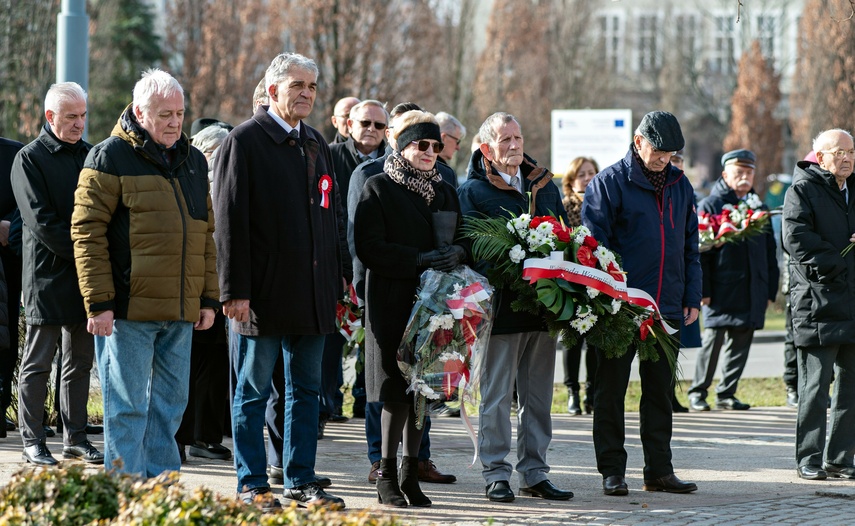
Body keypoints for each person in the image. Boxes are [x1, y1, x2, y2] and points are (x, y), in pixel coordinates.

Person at [213, 52, 347, 510]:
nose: (307, 93)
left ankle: (301, 479)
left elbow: (330, 220)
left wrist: (336, 281)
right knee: (251, 393)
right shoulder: (243, 141)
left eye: (312, 86)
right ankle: (252, 483)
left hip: (311, 295)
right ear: (272, 90)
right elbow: (229, 223)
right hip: (262, 296)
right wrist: (233, 292)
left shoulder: (316, 142)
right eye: (297, 85)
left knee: (306, 392)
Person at [70, 69, 219, 478]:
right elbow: (86, 233)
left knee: (171, 406)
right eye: (165, 114)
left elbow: (205, 234)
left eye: (180, 113)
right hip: (128, 310)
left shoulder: (193, 159)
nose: (175, 122)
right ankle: (124, 496)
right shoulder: (108, 156)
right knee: (127, 407)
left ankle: (161, 493)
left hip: (181, 309)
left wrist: (208, 298)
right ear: (139, 112)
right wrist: (99, 303)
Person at [582, 110, 700, 496]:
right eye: (658, 152)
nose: (664, 160)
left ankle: (659, 470)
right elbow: (593, 249)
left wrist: (691, 296)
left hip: (667, 308)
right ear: (638, 142)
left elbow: (689, 247)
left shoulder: (681, 185)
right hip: (620, 308)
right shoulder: (609, 184)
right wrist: (612, 297)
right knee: (611, 391)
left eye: (671, 154)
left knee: (660, 393)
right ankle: (612, 471)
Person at [458, 112, 574, 503]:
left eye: (518, 138)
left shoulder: (543, 184)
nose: (514, 146)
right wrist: (516, 267)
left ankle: (535, 472)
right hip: (500, 311)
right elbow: (474, 250)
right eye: (505, 140)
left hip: (543, 309)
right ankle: (495, 473)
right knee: (495, 397)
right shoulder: (472, 192)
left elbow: (563, 235)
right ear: (486, 148)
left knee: (538, 398)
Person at [354, 110, 466, 508]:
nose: (431, 152)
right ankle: (385, 473)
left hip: (436, 305)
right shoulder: (378, 187)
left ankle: (409, 470)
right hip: (392, 300)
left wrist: (456, 252)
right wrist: (419, 258)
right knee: (394, 390)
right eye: (422, 144)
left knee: (424, 390)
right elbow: (368, 247)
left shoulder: (447, 190)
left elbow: (464, 236)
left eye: (437, 146)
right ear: (403, 147)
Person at [11, 82, 103, 466]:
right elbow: (41, 223)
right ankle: (32, 441)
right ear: (50, 117)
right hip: (47, 278)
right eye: (71, 117)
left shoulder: (91, 155)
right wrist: (86, 253)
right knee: (38, 363)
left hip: (83, 279)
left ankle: (75, 438)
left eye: (83, 116)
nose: (80, 123)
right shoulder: (29, 159)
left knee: (79, 363)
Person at [783, 128, 855, 481]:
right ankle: (808, 458)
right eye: (839, 152)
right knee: (815, 386)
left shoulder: (853, 189)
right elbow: (795, 239)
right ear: (820, 156)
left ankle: (840, 458)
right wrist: (839, 257)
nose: (847, 158)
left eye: (852, 152)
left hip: (853, 300)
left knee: (850, 385)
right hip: (818, 301)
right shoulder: (802, 189)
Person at [688, 149, 778, 413]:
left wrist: (769, 288)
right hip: (720, 288)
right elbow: (700, 253)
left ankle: (727, 392)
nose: (744, 177)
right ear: (725, 174)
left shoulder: (758, 207)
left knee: (741, 341)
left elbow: (768, 252)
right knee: (712, 342)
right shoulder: (710, 206)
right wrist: (703, 290)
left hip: (752, 288)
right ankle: (698, 392)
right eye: (739, 172)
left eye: (749, 172)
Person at [325, 99, 389, 428]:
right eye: (365, 123)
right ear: (349, 125)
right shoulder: (330, 155)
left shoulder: (393, 162)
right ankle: (327, 405)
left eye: (379, 126)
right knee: (331, 343)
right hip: (337, 265)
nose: (371, 131)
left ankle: (365, 399)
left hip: (376, 271)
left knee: (372, 346)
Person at [174, 121, 234, 463]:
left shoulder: (230, 181)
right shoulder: (192, 180)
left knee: (213, 367)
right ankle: (179, 438)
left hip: (222, 286)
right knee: (187, 365)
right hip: (193, 286)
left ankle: (206, 435)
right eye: (218, 152)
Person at [560, 156, 599, 416]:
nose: (587, 178)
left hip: (598, 282)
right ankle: (572, 392)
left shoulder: (602, 205)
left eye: (591, 173)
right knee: (572, 341)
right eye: (581, 174)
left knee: (595, 342)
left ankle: (591, 392)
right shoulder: (564, 207)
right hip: (571, 282)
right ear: (571, 180)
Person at [0, 136, 23, 439]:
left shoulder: (16, 153)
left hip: (9, 257)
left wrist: (9, 225)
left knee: (6, 334)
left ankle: (2, 404)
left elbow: (31, 199)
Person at [435, 111, 466, 184]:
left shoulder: (420, 165)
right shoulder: (446, 174)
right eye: (457, 141)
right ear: (443, 138)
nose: (458, 147)